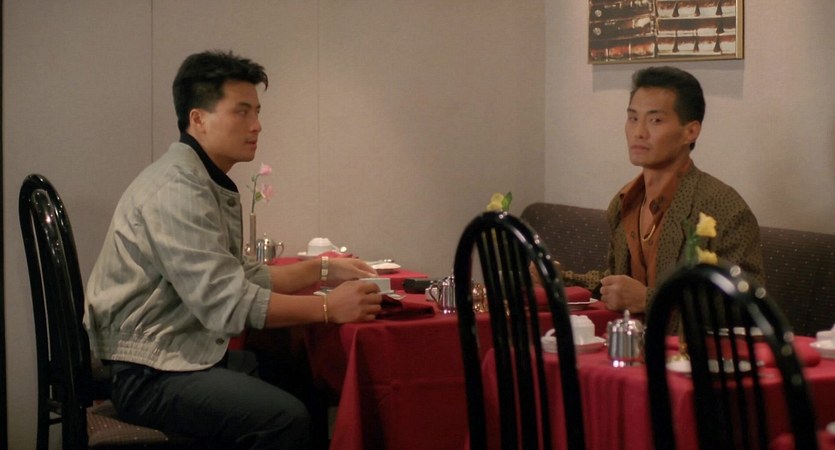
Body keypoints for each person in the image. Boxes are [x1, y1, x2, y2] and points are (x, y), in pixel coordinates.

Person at [83, 50, 383, 449]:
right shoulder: (177, 189)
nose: (256, 125)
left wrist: (323, 268)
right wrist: (327, 308)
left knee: (300, 374)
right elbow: (227, 302)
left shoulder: (198, 178)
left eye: (256, 112)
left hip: (174, 353)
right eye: (241, 112)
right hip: (150, 372)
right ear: (198, 119)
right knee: (284, 419)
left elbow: (242, 274)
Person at [561, 66, 764, 314]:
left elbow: (745, 307)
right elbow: (616, 281)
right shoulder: (624, 202)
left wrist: (649, 300)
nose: (639, 132)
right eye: (633, 118)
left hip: (683, 341)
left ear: (690, 131)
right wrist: (558, 278)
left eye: (655, 120)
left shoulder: (724, 209)